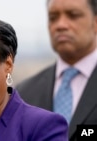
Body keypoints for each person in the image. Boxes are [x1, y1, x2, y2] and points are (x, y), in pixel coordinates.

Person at [16, 0, 97, 140]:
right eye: (53, 17)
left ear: (95, 22)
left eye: (73, 15)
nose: (61, 25)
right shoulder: (24, 93)